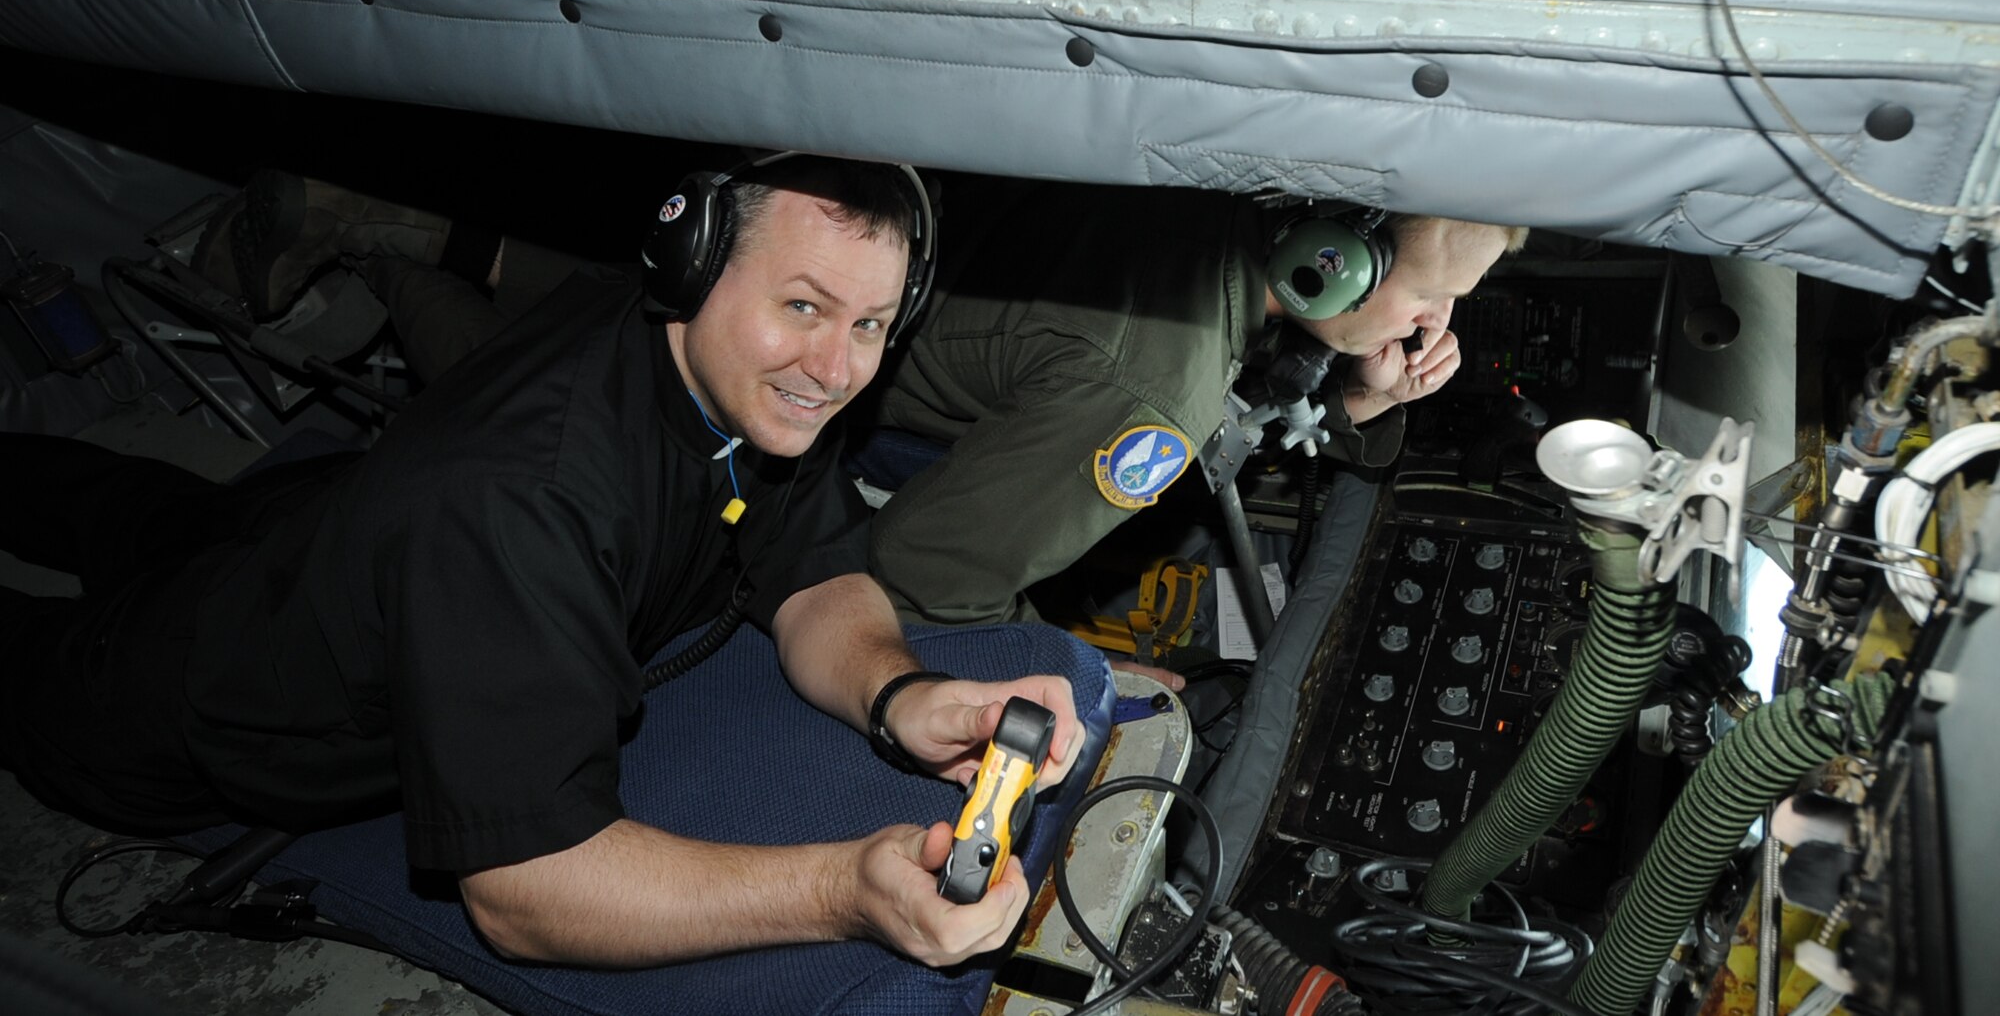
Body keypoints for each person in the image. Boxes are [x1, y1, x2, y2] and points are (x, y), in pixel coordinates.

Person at [0, 155, 1083, 970]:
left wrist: (901, 691)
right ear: (690, 265)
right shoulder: (523, 506)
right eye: (802, 306)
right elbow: (526, 891)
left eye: (871, 324)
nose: (836, 366)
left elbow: (811, 570)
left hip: (303, 531)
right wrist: (844, 886)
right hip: (191, 693)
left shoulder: (741, 384)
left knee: (125, 504)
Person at [860, 179, 1526, 626]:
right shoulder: (1155, 400)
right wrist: (1076, 671)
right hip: (865, 412)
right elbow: (928, 572)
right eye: (1429, 295)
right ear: (1340, 261)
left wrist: (1361, 391)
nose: (1431, 325)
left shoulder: (1213, 195)